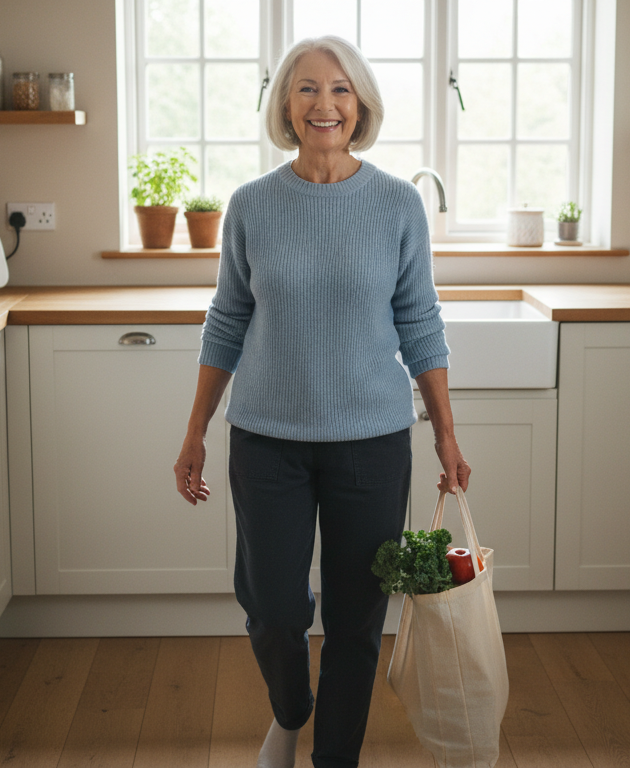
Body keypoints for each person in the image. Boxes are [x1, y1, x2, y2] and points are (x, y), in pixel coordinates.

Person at [172, 35, 470, 768]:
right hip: (266, 438)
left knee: (357, 619)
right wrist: (195, 431)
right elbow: (228, 319)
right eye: (306, 88)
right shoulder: (251, 205)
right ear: (285, 105)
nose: (324, 104)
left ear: (360, 105)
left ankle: (335, 758)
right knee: (272, 609)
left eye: (340, 89)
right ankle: (290, 708)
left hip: (371, 441)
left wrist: (445, 436)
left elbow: (420, 322)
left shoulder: (398, 204)